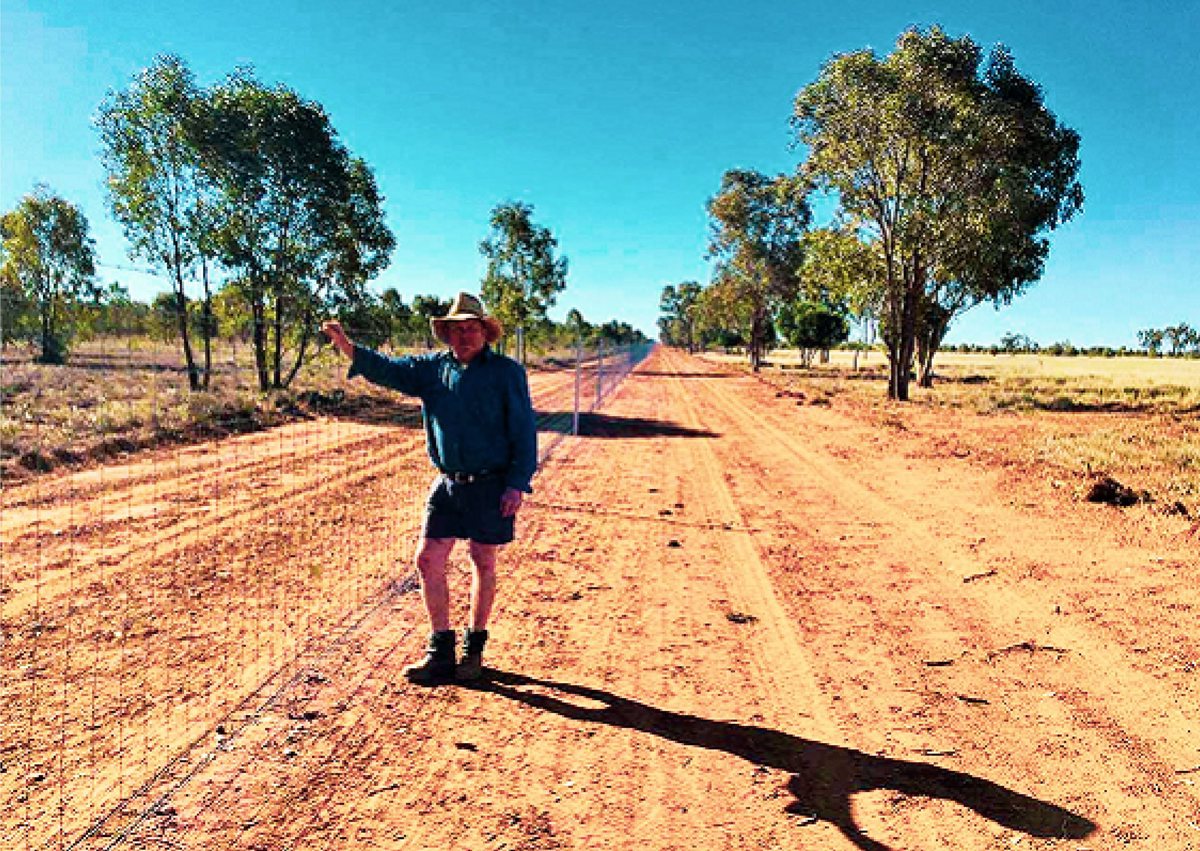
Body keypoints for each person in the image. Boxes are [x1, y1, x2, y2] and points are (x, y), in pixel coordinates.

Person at [321, 292, 537, 683]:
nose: (464, 336)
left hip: (491, 484)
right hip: (448, 485)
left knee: (483, 561)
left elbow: (523, 430)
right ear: (447, 334)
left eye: (471, 329)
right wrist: (349, 348)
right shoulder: (431, 370)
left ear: (484, 333)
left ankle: (474, 650)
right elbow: (388, 369)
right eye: (456, 330)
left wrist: (517, 484)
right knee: (427, 560)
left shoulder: (507, 373)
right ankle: (441, 650)